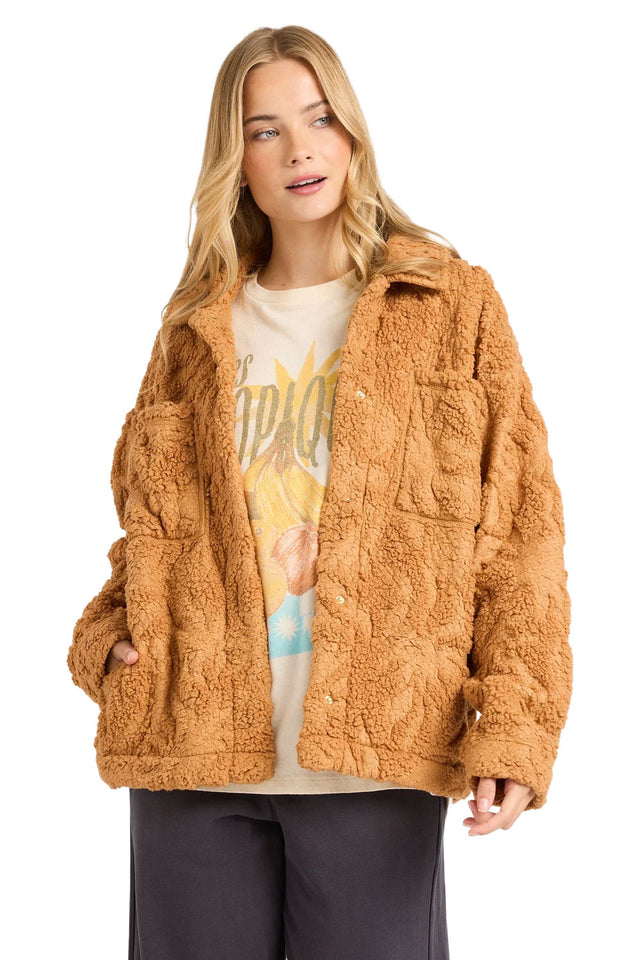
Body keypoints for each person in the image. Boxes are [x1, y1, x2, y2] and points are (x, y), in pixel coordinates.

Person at [66, 25, 573, 960]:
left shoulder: (449, 304)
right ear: (237, 162)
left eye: (320, 117)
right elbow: (147, 524)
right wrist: (106, 638)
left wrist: (514, 725)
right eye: (265, 130)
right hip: (194, 752)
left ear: (353, 134)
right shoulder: (195, 327)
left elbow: (520, 534)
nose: (299, 148)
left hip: (376, 756)